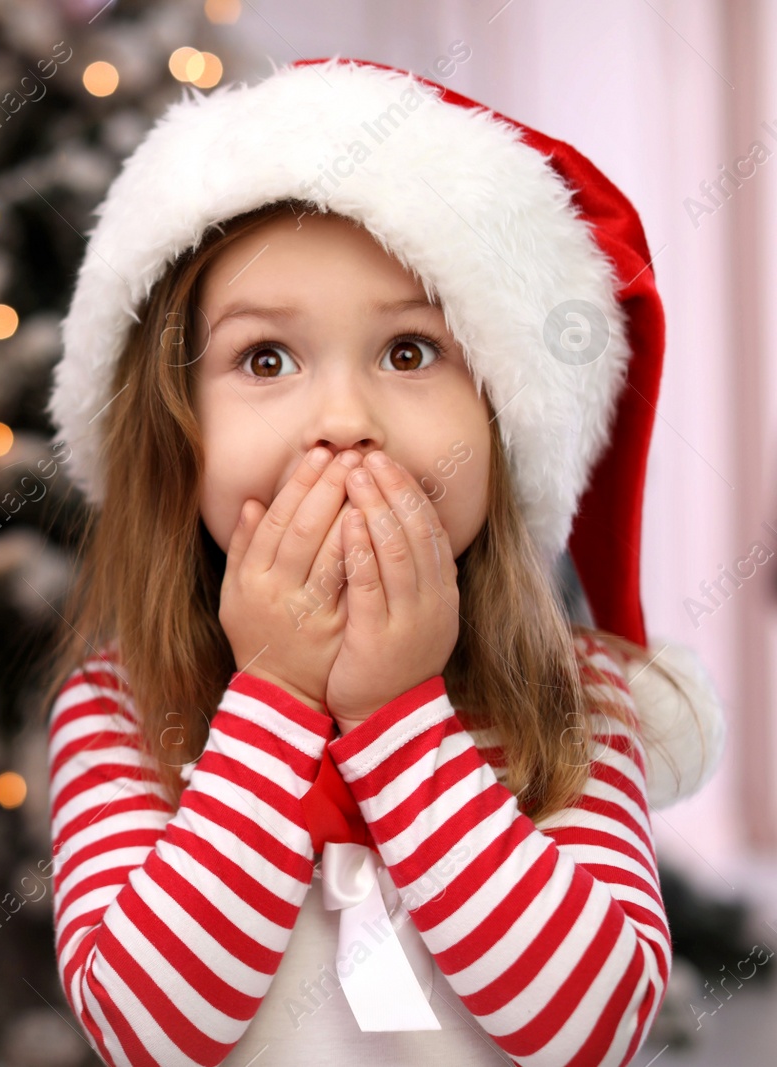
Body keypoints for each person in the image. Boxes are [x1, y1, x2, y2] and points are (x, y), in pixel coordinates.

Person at [40, 57, 727, 1066]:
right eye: (265, 358)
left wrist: (396, 713)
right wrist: (273, 693)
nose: (342, 422)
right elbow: (146, 1030)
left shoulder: (575, 694)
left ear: (499, 422)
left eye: (408, 352)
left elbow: (595, 1026)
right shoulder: (119, 706)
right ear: (176, 434)